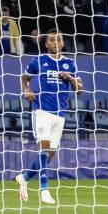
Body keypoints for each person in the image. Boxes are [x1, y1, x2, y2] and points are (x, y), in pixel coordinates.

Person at [15, 29, 84, 204]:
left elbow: (79, 90)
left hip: (60, 114)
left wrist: (69, 78)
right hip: (41, 110)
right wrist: (27, 90)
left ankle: (24, 177)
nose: (55, 42)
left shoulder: (70, 63)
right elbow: (25, 77)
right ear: (46, 44)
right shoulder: (39, 60)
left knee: (49, 155)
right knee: (44, 148)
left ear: (62, 43)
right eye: (51, 40)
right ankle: (44, 190)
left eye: (58, 40)